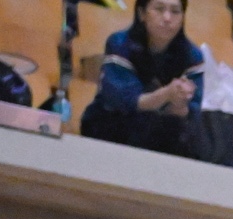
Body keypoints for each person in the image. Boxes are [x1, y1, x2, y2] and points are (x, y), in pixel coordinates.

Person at [80, 0, 208, 157]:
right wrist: (166, 94)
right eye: (159, 9)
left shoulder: (193, 56)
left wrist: (179, 103)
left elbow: (191, 113)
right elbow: (125, 101)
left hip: (160, 129)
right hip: (111, 123)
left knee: (192, 140)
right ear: (142, 13)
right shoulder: (120, 44)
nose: (167, 18)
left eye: (175, 12)